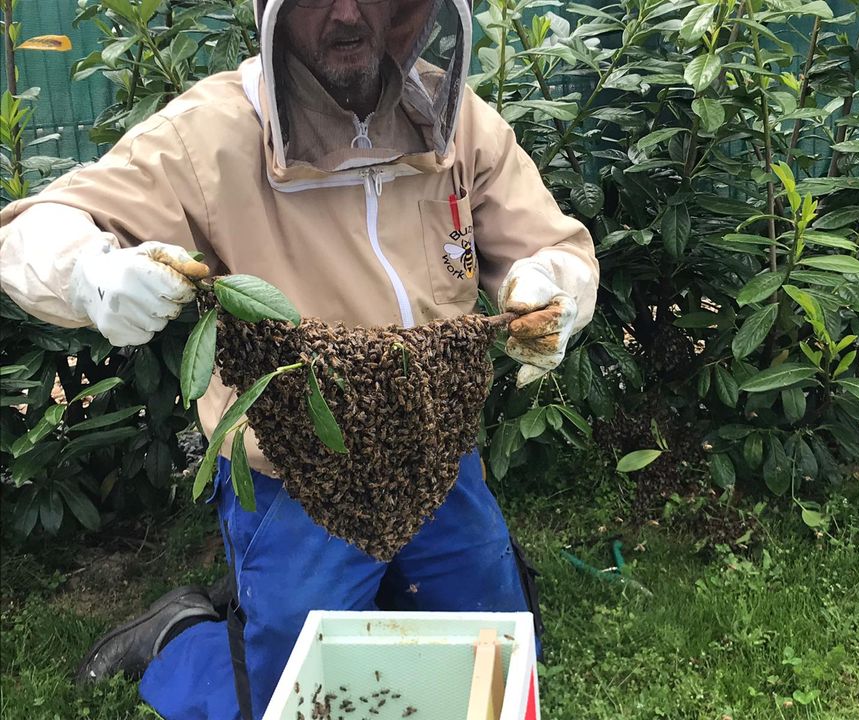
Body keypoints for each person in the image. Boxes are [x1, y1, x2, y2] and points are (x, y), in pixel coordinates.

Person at [0, 0, 598, 717]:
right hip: (292, 468)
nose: (345, 14)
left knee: (499, 641)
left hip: (436, 453)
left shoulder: (457, 116)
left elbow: (551, 245)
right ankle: (185, 637)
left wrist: (549, 288)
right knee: (295, 690)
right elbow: (39, 226)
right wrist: (86, 274)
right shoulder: (209, 133)